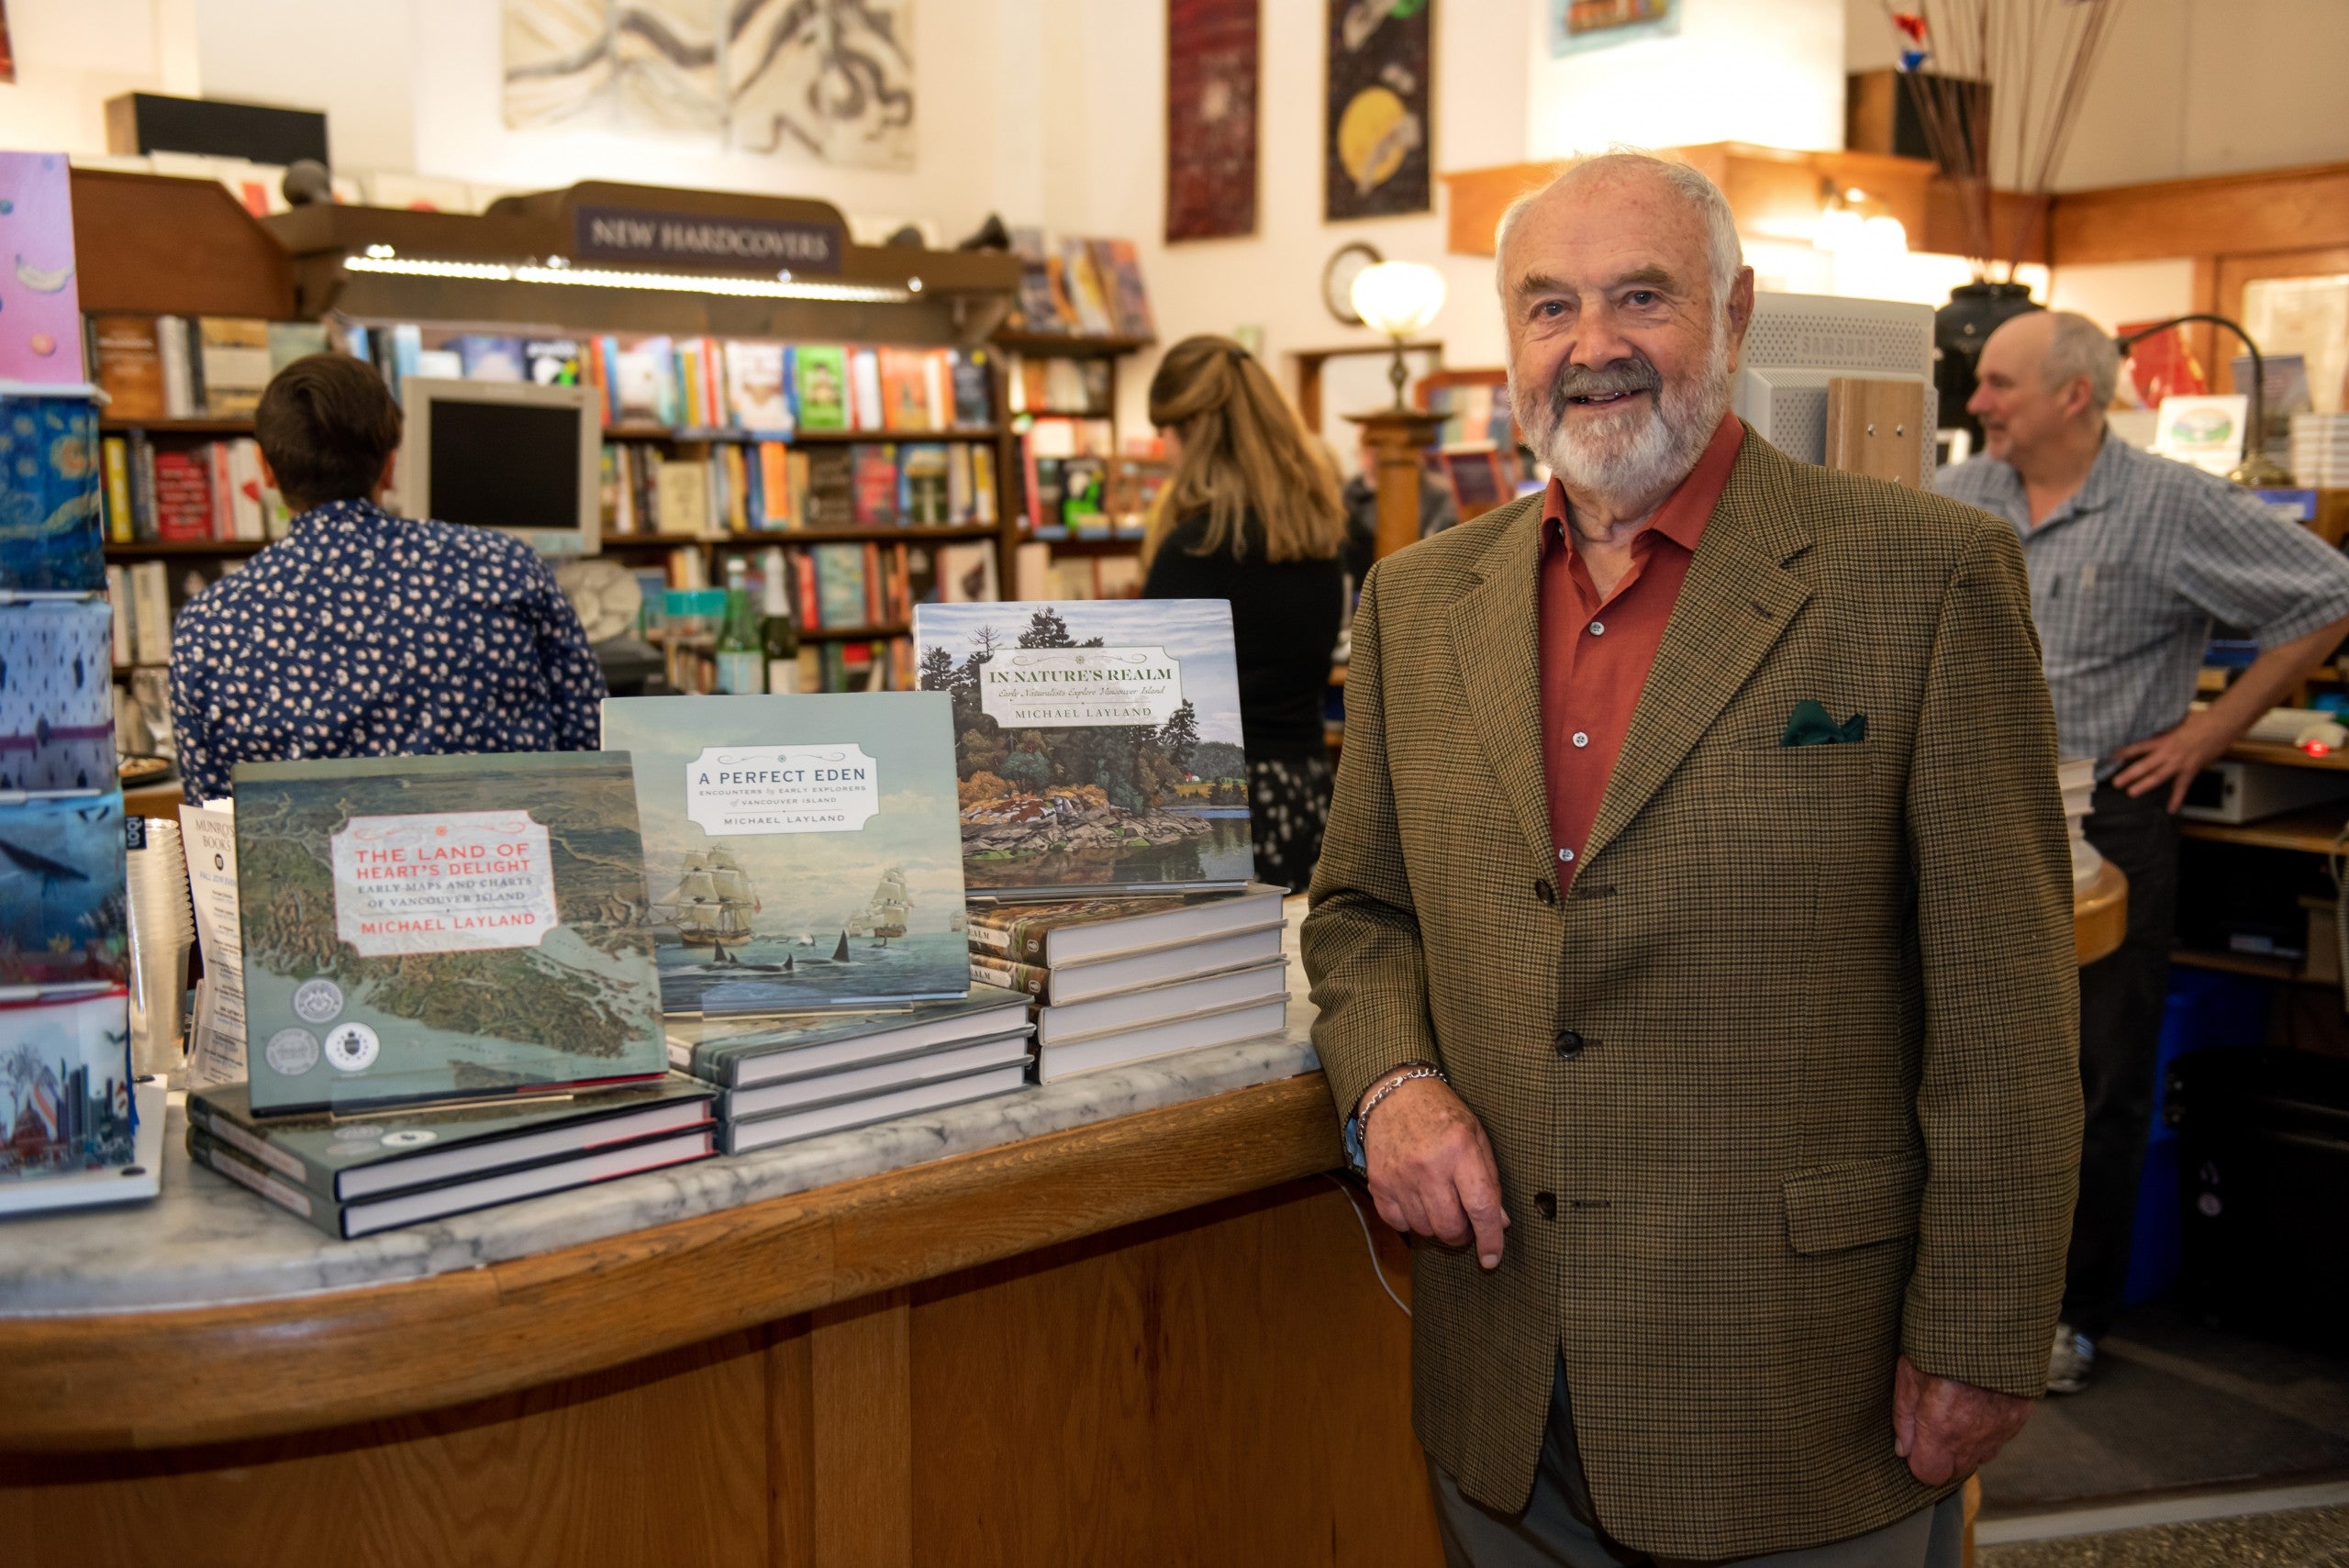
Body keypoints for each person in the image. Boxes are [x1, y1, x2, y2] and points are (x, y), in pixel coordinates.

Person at [1301, 151, 2082, 1567]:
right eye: (1549, 307)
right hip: (1503, 1387)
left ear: (1735, 313)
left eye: (1639, 296)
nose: (1590, 346)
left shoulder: (1925, 576)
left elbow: (2006, 1010)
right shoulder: (1419, 600)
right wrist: (1395, 1086)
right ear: (1510, 341)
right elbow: (1362, 912)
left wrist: (1984, 1330)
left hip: (1803, 1393)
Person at [1937, 310, 2349, 1395]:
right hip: (1965, 805)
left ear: (2073, 395)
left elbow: (2328, 596)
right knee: (1961, 1064)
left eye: (1997, 383)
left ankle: (2068, 1318)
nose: (1975, 403)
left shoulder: (2172, 504)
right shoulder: (1961, 497)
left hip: (2106, 813)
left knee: (2095, 1076)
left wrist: (2212, 731)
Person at [170, 354, 605, 803]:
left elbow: (215, 820)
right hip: (513, 866)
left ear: (264, 469)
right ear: (389, 464)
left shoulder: (208, 623)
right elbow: (594, 747)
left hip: (312, 871)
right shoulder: (508, 568)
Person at [1141, 335, 1348, 892]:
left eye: (1166, 431)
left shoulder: (1194, 547)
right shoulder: (1318, 538)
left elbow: (1150, 699)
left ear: (1194, 433)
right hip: (1304, 792)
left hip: (1217, 802)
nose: (1163, 449)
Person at [1341, 430, 1460, 586]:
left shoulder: (1438, 494)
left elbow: (1436, 547)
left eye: (1376, 452)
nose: (1370, 460)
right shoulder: (1350, 492)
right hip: (1362, 583)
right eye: (1366, 452)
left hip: (1418, 582)